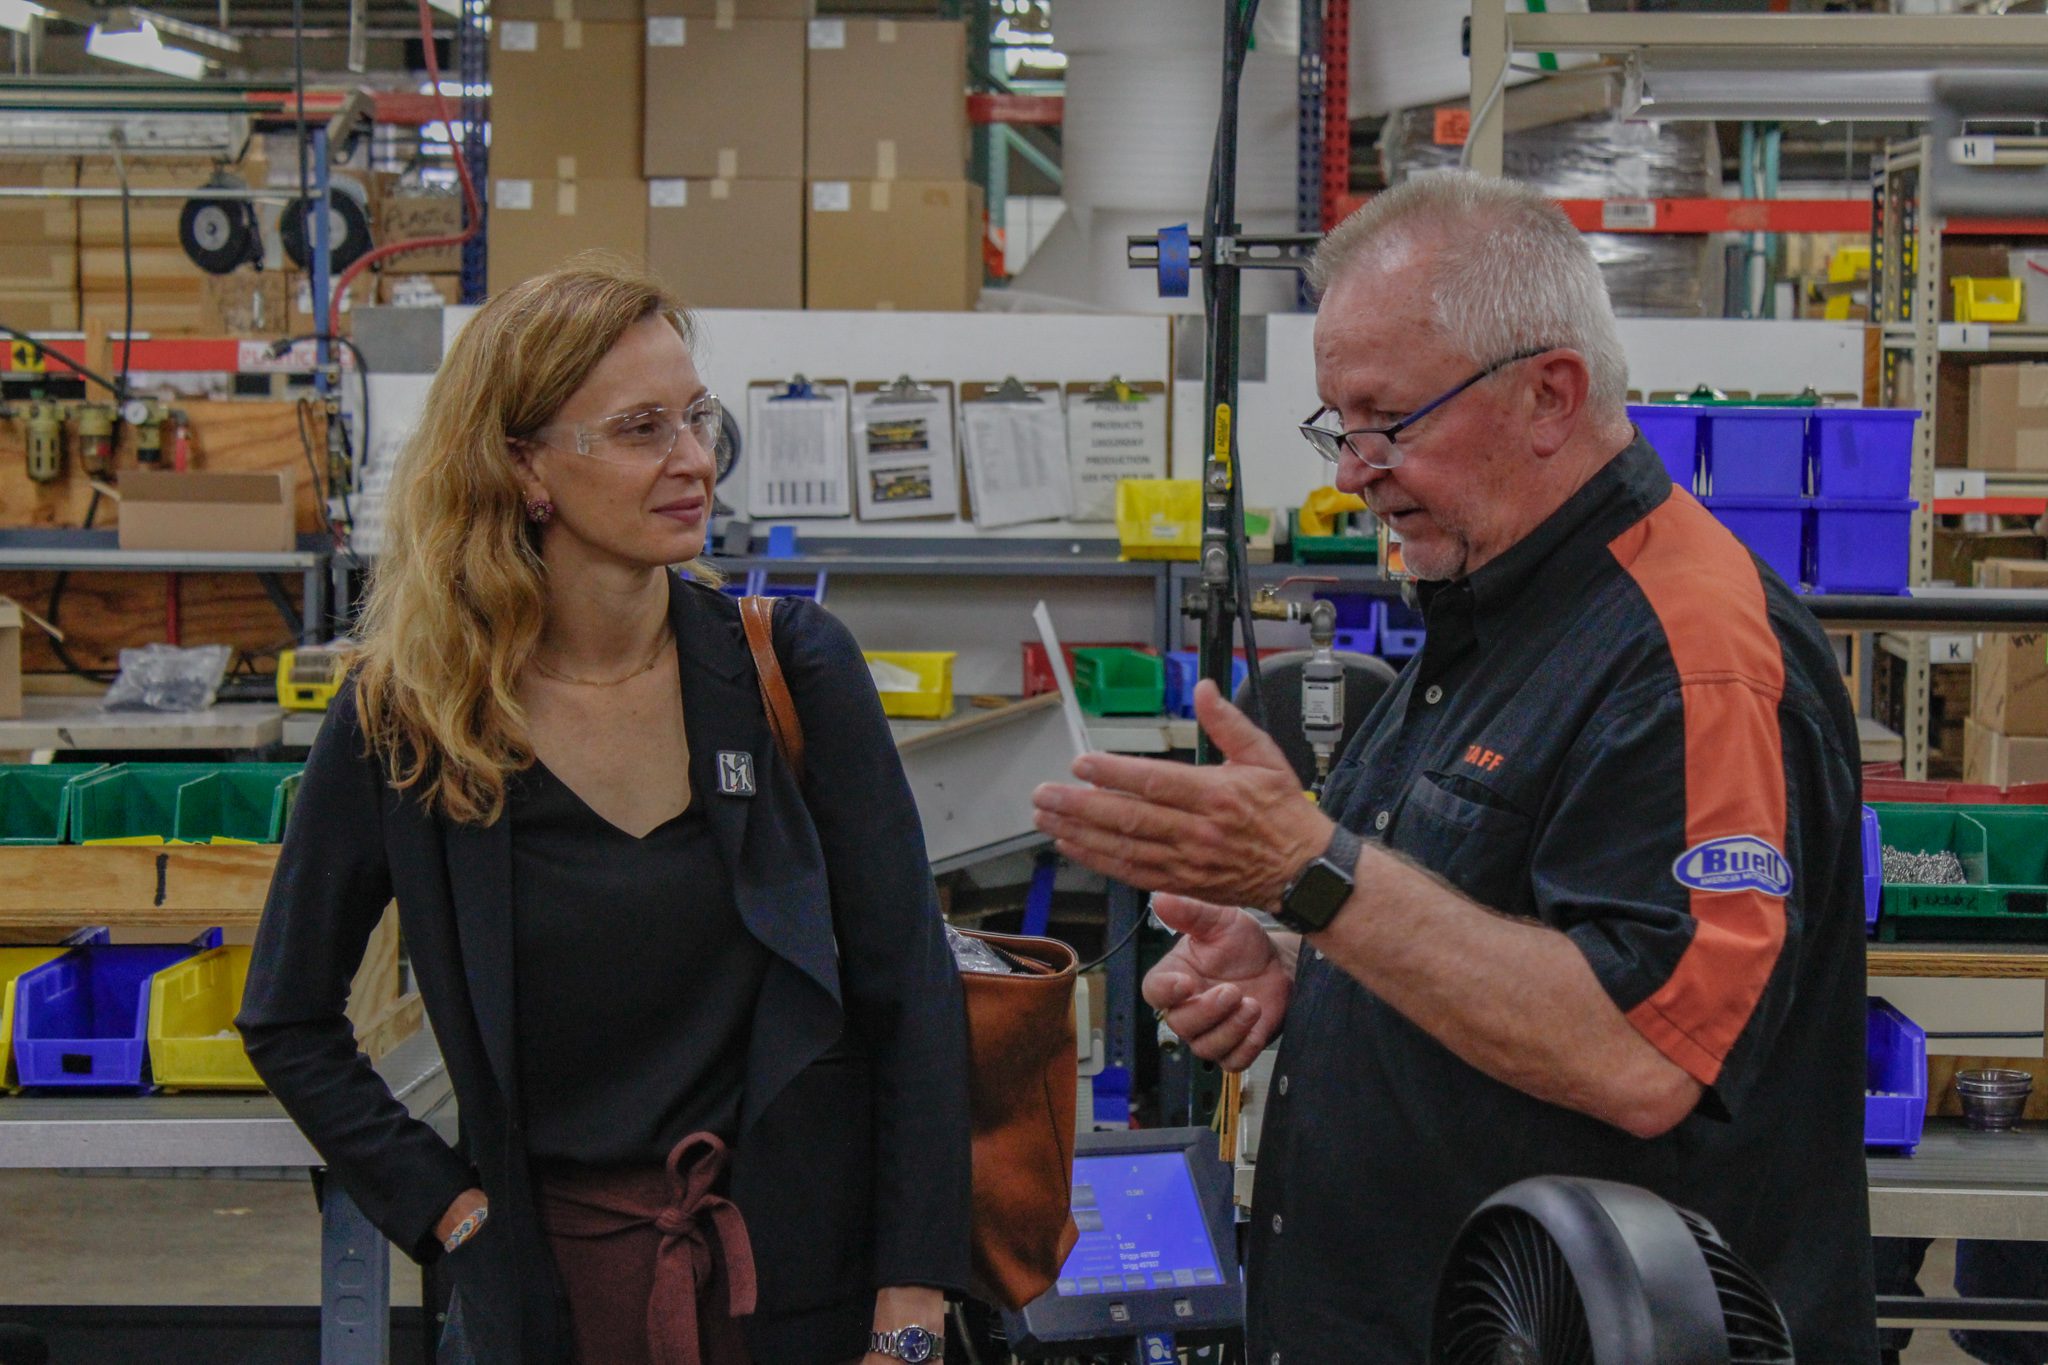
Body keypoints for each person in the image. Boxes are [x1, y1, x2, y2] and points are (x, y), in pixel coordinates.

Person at [1030, 172, 1878, 1364]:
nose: (1349, 470)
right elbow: (1471, 913)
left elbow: (1642, 1053)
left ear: (1548, 395)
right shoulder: (1490, 612)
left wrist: (1309, 877)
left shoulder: (1689, 659)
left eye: (1387, 423)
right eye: (1337, 426)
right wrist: (1295, 959)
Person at [237, 259, 971, 1365]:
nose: (692, 461)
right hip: (549, 1300)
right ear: (523, 464)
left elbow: (910, 995)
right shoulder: (412, 716)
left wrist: (909, 1307)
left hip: (802, 1291)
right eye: (639, 429)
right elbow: (288, 1018)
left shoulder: (791, 673)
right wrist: (448, 1211)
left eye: (695, 419)